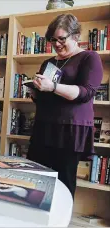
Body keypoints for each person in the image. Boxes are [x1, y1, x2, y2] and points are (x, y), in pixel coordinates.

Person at [27, 14, 103, 198]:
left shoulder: (89, 57)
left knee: (64, 181)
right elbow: (46, 97)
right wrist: (36, 92)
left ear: (76, 36)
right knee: (36, 178)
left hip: (70, 129)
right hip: (44, 126)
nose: (57, 44)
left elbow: (86, 92)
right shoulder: (49, 62)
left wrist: (52, 86)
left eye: (62, 38)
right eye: (53, 40)